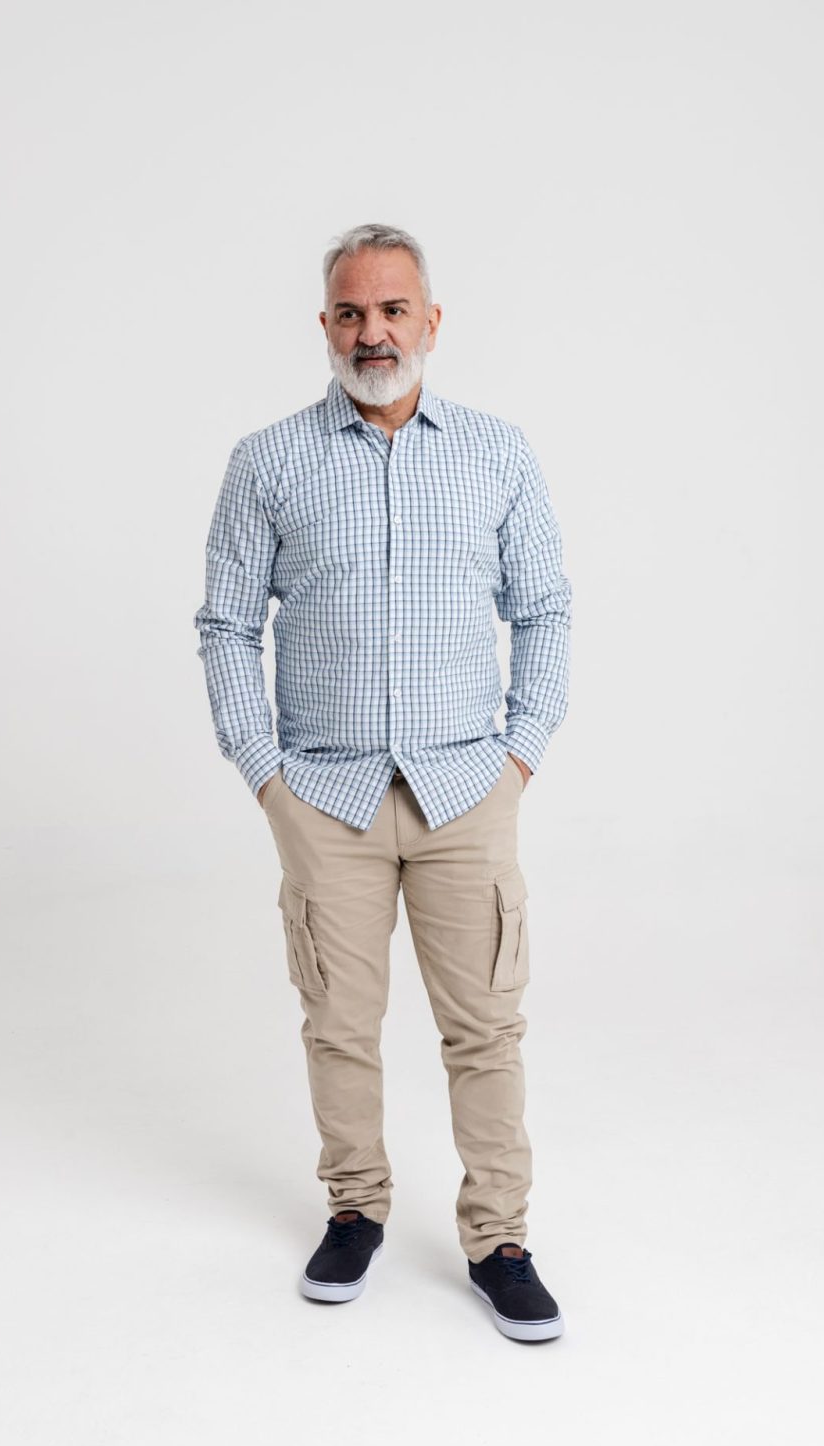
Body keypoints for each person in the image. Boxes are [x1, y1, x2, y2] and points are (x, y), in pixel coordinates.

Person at [193, 223, 572, 1341]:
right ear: (325, 325)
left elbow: (546, 608)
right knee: (339, 1024)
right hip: (326, 799)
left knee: (486, 1028)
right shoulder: (267, 462)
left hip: (466, 793)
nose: (374, 333)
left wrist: (518, 756)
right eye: (352, 313)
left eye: (393, 310)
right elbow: (225, 626)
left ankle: (499, 1239)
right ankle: (355, 1209)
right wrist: (267, 780)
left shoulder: (497, 453)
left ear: (430, 321)